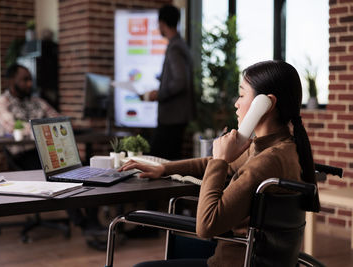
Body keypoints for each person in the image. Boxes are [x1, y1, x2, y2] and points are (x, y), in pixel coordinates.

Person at [120, 60, 320, 267]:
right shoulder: (280, 148)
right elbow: (214, 163)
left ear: (265, 104)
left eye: (242, 95)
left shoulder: (267, 161)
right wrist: (164, 168)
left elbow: (206, 226)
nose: (236, 103)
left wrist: (221, 159)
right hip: (248, 255)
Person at [0, 63, 104, 248]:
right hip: (23, 154)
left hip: (48, 150)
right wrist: (43, 127)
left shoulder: (37, 101)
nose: (29, 84)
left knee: (88, 170)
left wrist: (62, 125)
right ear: (12, 81)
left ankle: (93, 221)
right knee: (60, 175)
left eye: (30, 79)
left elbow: (58, 119)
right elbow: (13, 127)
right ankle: (84, 225)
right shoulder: (2, 102)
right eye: (24, 80)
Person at [143, 4, 195, 160]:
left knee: (157, 160)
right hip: (178, 116)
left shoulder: (174, 48)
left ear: (162, 23)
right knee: (169, 160)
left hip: (172, 116)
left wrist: (158, 94)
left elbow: (180, 82)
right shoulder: (181, 44)